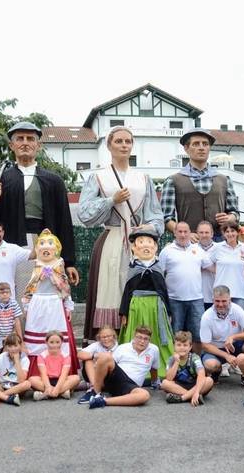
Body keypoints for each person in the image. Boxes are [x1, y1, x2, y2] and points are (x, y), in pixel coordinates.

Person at [78, 126, 164, 340]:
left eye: (128, 141)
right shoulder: (98, 177)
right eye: (119, 141)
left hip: (139, 244)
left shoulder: (143, 178)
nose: (124, 145)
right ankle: (108, 341)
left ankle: (140, 341)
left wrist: (148, 229)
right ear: (109, 145)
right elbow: (84, 213)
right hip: (111, 240)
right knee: (109, 291)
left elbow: (156, 215)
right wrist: (111, 201)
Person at [0, 121, 78, 288]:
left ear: (38, 145)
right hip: (11, 246)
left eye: (30, 139)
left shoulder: (54, 181)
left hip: (46, 244)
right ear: (12, 145)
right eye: (20, 138)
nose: (25, 143)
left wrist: (69, 262)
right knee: (14, 293)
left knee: (45, 292)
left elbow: (64, 223)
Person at [160, 127, 239, 241]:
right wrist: (184, 233)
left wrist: (229, 218)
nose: (201, 148)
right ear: (186, 148)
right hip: (187, 245)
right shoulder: (173, 181)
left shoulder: (224, 180)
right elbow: (166, 218)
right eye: (196, 144)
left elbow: (235, 213)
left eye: (205, 144)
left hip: (219, 244)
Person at [23, 229, 79, 376]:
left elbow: (65, 287)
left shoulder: (59, 265)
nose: (45, 247)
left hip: (55, 304)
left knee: (58, 335)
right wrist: (27, 305)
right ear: (36, 248)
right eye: (42, 243)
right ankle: (36, 373)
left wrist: (68, 306)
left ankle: (62, 373)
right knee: (37, 339)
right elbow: (30, 286)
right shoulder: (36, 265)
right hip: (38, 304)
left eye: (49, 243)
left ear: (56, 249)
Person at [118, 227, 174, 377]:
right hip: (136, 306)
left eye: (149, 242)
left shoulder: (157, 267)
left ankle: (162, 367)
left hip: (156, 307)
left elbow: (163, 291)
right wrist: (123, 312)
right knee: (136, 334)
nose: (146, 245)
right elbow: (127, 291)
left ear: (155, 247)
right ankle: (132, 366)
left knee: (157, 334)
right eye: (141, 242)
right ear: (134, 248)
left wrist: (168, 311)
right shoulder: (133, 268)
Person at [158, 222, 213, 355]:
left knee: (198, 334)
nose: (183, 234)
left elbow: (212, 267)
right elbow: (159, 274)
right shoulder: (166, 251)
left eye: (185, 232)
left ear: (190, 233)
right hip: (174, 300)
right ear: (175, 233)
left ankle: (197, 365)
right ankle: (174, 366)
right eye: (180, 232)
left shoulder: (198, 250)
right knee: (174, 334)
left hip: (196, 299)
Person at [88, 325, 160, 409]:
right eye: (139, 337)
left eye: (145, 339)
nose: (142, 341)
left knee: (144, 395)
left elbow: (154, 368)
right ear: (134, 337)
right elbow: (109, 364)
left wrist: (154, 382)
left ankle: (101, 401)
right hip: (117, 378)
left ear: (149, 340)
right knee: (105, 357)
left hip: (131, 386)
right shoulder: (123, 347)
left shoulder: (154, 349)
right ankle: (95, 392)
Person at [199, 285, 244, 382]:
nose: (220, 304)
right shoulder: (206, 316)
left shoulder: (237, 309)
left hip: (235, 346)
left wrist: (233, 337)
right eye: (217, 301)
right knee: (211, 365)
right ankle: (217, 371)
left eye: (224, 301)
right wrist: (226, 356)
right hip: (216, 349)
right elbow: (205, 345)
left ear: (229, 299)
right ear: (213, 300)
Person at [161, 331, 213, 406]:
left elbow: (201, 375)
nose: (182, 348)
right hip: (178, 387)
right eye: (179, 345)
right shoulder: (171, 359)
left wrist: (197, 391)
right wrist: (176, 362)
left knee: (209, 380)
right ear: (174, 346)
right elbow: (169, 378)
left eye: (185, 345)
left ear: (190, 347)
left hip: (194, 385)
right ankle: (192, 396)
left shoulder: (195, 358)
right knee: (165, 383)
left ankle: (182, 398)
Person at [210, 222, 244, 309]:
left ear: (238, 232)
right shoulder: (217, 247)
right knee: (222, 321)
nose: (230, 234)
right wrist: (220, 271)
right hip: (221, 293)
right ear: (224, 234)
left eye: (232, 231)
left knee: (236, 322)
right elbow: (208, 263)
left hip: (240, 293)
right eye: (227, 231)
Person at [30, 331, 81, 401]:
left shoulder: (66, 356)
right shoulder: (41, 356)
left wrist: (57, 389)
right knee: (31, 380)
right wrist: (48, 386)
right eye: (51, 342)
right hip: (46, 380)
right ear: (46, 342)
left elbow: (64, 374)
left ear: (61, 342)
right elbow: (43, 374)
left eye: (57, 342)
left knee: (76, 378)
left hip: (61, 380)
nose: (54, 345)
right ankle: (62, 393)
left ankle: (46, 394)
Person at [77, 325, 118, 404]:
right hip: (93, 374)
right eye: (103, 337)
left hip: (108, 377)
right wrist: (96, 355)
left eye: (108, 336)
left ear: (113, 336)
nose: (106, 339)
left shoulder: (119, 347)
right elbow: (79, 354)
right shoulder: (96, 345)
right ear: (99, 338)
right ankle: (94, 388)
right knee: (88, 359)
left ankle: (92, 387)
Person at [0, 282, 23, 364]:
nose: (5, 294)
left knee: (5, 356)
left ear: (10, 293)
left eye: (7, 292)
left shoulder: (14, 304)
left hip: (10, 335)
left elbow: (17, 322)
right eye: (2, 293)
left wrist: (21, 341)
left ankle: (5, 374)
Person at [196, 220, 219, 311]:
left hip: (216, 297)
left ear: (212, 234)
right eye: (201, 232)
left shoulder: (220, 248)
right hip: (197, 297)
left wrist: (202, 265)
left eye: (207, 232)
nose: (204, 235)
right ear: (197, 234)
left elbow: (222, 269)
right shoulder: (191, 249)